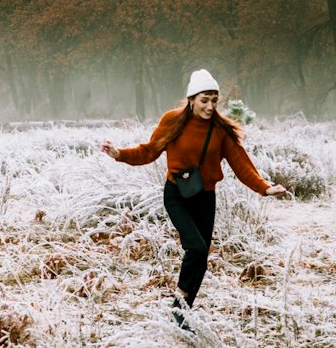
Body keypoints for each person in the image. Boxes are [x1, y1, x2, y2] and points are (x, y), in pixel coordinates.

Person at [101, 69, 290, 327]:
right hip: (177, 194)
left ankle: (182, 314)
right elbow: (149, 151)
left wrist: (264, 188)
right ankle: (179, 305)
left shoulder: (220, 130)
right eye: (204, 100)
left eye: (214, 100)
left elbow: (241, 164)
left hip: (205, 197)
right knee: (196, 247)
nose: (210, 106)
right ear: (191, 99)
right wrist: (119, 153)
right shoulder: (173, 121)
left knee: (201, 257)